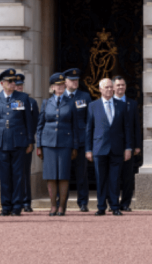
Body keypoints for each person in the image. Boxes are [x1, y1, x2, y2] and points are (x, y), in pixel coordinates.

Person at [0, 68, 34, 216]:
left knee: (18, 175)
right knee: (4, 176)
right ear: (2, 83)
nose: (13, 83)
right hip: (2, 142)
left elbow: (28, 121)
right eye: (9, 81)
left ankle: (16, 206)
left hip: (19, 141)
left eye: (14, 81)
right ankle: (5, 206)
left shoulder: (23, 97)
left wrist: (30, 141)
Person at [85, 78, 134, 216]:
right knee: (100, 179)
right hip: (99, 147)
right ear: (100, 89)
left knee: (114, 179)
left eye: (110, 87)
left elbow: (127, 129)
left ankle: (114, 206)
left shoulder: (121, 105)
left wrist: (128, 148)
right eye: (105, 87)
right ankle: (101, 206)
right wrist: (88, 149)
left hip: (117, 148)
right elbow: (89, 129)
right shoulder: (93, 106)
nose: (109, 89)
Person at [35, 73, 78, 216]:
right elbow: (40, 125)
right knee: (51, 175)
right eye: (57, 85)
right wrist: (39, 145)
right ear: (52, 87)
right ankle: (53, 205)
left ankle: (62, 206)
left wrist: (75, 146)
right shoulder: (46, 103)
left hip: (65, 143)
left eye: (62, 85)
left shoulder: (71, 102)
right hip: (48, 144)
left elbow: (75, 126)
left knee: (63, 175)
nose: (60, 87)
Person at [64, 68, 92, 212]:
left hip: (81, 140)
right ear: (65, 82)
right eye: (72, 80)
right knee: (64, 173)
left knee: (81, 173)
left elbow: (90, 120)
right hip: (65, 141)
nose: (75, 82)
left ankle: (82, 202)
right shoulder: (60, 96)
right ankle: (62, 201)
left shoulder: (85, 96)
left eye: (77, 80)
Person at [113, 76, 142, 212]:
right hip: (112, 146)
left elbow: (136, 126)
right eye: (118, 85)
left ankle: (125, 203)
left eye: (123, 85)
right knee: (113, 176)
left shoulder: (132, 104)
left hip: (128, 146)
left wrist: (137, 146)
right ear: (113, 87)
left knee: (127, 177)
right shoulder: (108, 103)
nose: (121, 87)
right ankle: (113, 202)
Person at [14, 73, 39, 213]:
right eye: (16, 85)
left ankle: (26, 201)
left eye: (20, 85)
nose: (18, 87)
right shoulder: (9, 100)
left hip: (25, 142)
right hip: (12, 142)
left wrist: (29, 139)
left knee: (25, 173)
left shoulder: (31, 102)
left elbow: (34, 122)